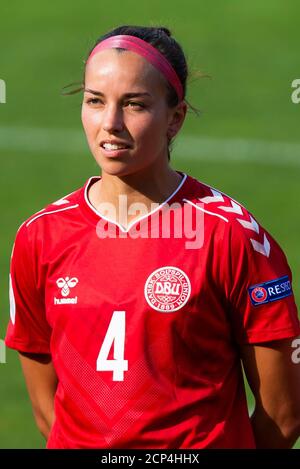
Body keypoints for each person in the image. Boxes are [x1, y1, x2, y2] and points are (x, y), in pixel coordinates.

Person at [5, 25, 300, 449]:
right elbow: (46, 409)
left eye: (134, 105)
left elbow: (284, 415)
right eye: (94, 101)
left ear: (174, 118)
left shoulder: (232, 236)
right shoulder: (40, 236)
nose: (110, 124)